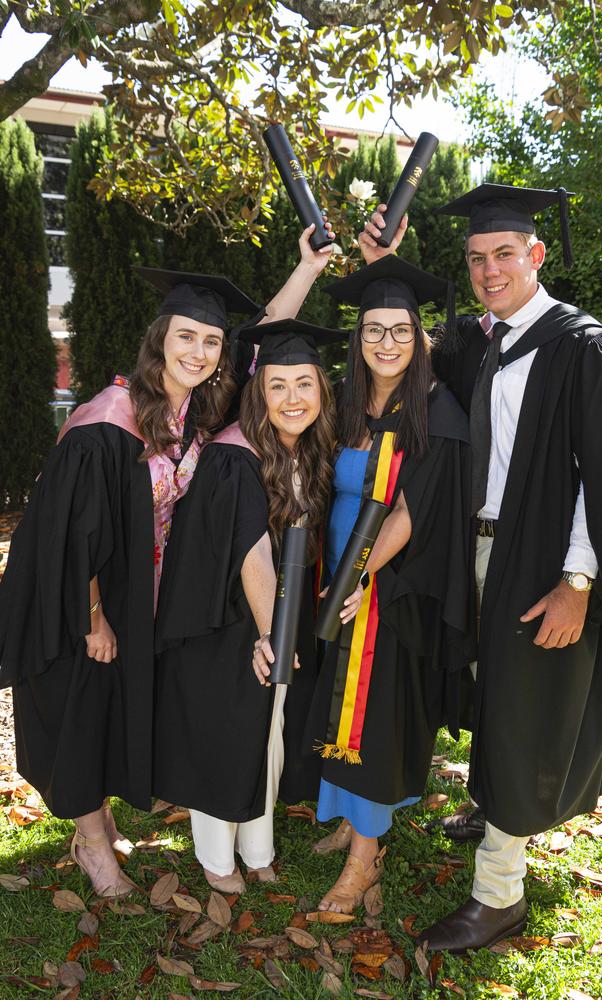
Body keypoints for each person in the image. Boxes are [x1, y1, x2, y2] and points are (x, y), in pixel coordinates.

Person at [362, 184, 602, 952]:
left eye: (504, 254)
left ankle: (499, 897)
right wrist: (387, 266)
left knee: (526, 712)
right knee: (493, 690)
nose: (489, 269)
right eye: (476, 257)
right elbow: (405, 350)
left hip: (543, 561)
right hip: (476, 547)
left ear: (537, 254)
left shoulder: (583, 347)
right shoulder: (477, 341)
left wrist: (579, 580)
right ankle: (494, 806)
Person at [0, 270, 259, 897]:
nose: (198, 352)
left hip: (143, 598)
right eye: (186, 337)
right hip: (90, 598)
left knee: (113, 712)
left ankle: (100, 820)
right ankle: (91, 843)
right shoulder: (111, 419)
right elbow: (73, 533)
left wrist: (309, 267)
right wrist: (93, 616)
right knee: (83, 712)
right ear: (159, 339)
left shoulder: (193, 412)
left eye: (212, 343)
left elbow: (265, 338)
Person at [288, 256, 475, 914]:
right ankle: (348, 820)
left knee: (373, 713)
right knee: (339, 705)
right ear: (357, 336)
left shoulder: (434, 408)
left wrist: (358, 579)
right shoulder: (345, 403)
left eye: (400, 330)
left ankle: (366, 861)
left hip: (390, 587)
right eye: (373, 329)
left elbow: (410, 512)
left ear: (418, 337)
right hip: (335, 578)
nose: (386, 343)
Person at [154, 318, 345, 892]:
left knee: (271, 732)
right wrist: (271, 634)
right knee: (229, 731)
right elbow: (249, 552)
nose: (293, 398)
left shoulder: (307, 450)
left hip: (274, 616)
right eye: (278, 386)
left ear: (321, 391)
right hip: (226, 620)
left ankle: (257, 845)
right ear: (258, 394)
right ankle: (217, 858)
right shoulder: (236, 456)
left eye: (305, 384)